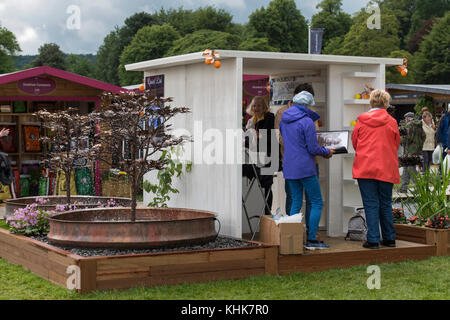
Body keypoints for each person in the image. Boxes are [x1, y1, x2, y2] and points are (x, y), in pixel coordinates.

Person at [279, 91, 334, 250]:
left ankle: (291, 239)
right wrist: (326, 151)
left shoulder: (284, 120)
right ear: (308, 105)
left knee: (296, 201)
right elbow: (312, 148)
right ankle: (311, 239)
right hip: (305, 167)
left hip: (289, 165)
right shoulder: (307, 121)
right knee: (317, 202)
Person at [352, 89, 400, 249]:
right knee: (385, 203)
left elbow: (355, 142)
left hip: (365, 166)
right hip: (386, 166)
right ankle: (389, 238)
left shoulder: (361, 121)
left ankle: (373, 239)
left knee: (371, 203)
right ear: (386, 103)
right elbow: (396, 143)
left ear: (371, 102)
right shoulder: (392, 122)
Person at [275, 83, 316, 216]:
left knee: (310, 199)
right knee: (293, 198)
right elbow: (279, 138)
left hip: (311, 161)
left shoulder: (310, 113)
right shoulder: (281, 113)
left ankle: (310, 232)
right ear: (295, 96)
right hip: (292, 160)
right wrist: (299, 148)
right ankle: (290, 231)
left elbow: (316, 134)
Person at [244, 96, 275, 215]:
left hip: (269, 156)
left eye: (259, 106)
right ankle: (260, 211)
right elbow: (249, 141)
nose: (256, 108)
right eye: (254, 106)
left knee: (267, 185)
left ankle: (268, 212)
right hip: (255, 157)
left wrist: (256, 136)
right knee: (258, 182)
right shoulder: (251, 121)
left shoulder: (269, 118)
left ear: (264, 107)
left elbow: (267, 137)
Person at [399, 112, 424, 193]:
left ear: (408, 118)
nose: (405, 120)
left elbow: (406, 138)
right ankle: (403, 187)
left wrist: (400, 140)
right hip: (416, 150)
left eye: (405, 119)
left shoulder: (409, 125)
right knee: (406, 168)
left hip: (409, 150)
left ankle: (419, 187)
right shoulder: (419, 125)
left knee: (411, 169)